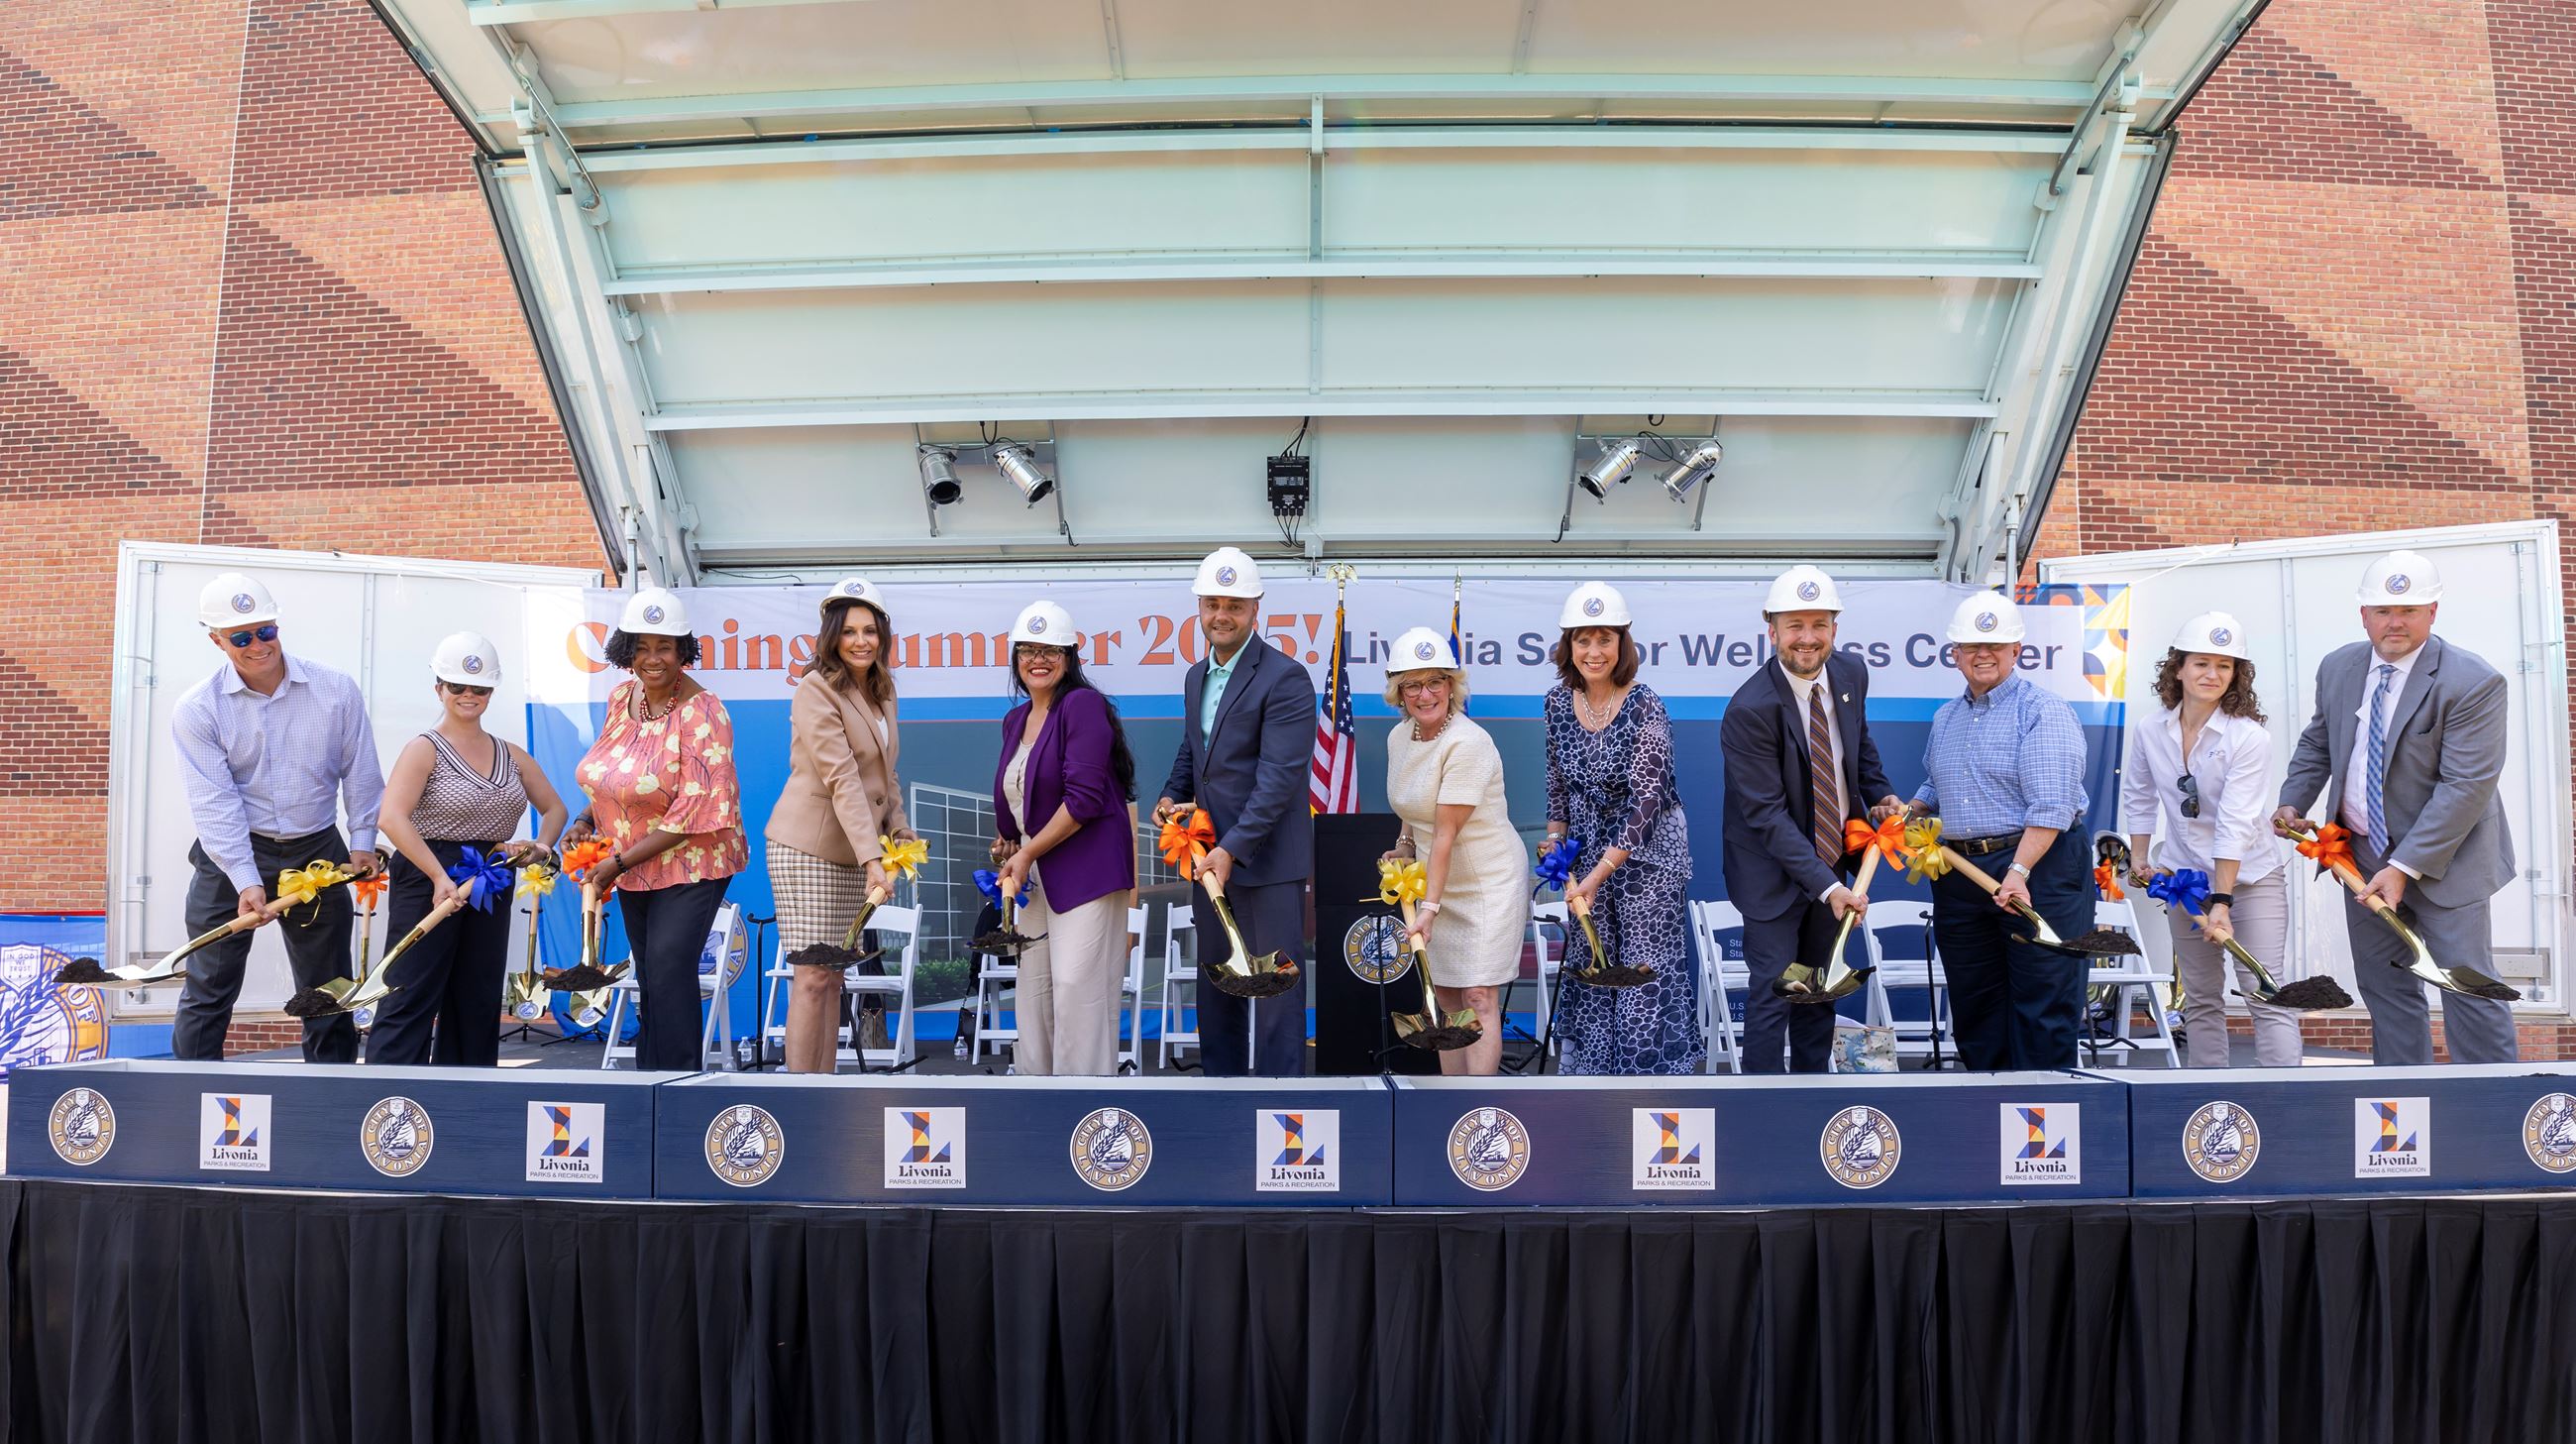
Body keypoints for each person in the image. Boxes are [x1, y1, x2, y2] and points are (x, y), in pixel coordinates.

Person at [2274, 549, 2518, 1064]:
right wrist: (2293, 801)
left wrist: (2404, 866)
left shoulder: (2473, 682)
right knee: (2385, 990)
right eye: (2383, 610)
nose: (2395, 622)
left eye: (2409, 610)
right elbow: (2319, 742)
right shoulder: (2339, 666)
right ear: (2363, 615)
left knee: (2466, 988)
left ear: (2433, 612)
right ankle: (2406, 1102)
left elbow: (2466, 785)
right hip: (2358, 857)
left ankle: (2493, 1111)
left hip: (2447, 863)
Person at [169, 571, 384, 1063]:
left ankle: (331, 1099)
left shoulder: (335, 690)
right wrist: (246, 879)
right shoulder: (197, 710)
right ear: (216, 640)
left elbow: (362, 772)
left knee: (327, 989)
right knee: (209, 983)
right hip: (231, 853)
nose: (258, 645)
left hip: (317, 849)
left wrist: (362, 841)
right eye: (241, 637)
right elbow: (214, 804)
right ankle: (191, 1098)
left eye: (265, 631)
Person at [1718, 567, 1900, 1073]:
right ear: (1770, 628)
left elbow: (1858, 752)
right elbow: (1767, 816)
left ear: (1835, 628)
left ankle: (1813, 1103)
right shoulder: (1748, 710)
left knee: (1821, 994)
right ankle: (1757, 1116)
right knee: (1777, 994)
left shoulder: (1851, 674)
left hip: (1834, 861)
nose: (1807, 638)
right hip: (1771, 876)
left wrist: (1881, 796)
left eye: (1819, 624)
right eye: (1794, 625)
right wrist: (1828, 887)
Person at [564, 587, 747, 1070]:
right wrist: (585, 821)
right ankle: (648, 1086)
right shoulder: (621, 697)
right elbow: (608, 776)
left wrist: (616, 863)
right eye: (641, 646)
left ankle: (681, 1087)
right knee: (649, 975)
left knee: (668, 967)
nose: (652, 658)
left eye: (664, 646)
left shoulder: (704, 711)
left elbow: (695, 809)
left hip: (692, 861)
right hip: (631, 863)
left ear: (683, 650)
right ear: (625, 649)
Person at [1151, 546, 1317, 1076]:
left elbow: (1277, 780)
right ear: (1199, 607)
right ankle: (1220, 1102)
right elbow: (1194, 750)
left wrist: (1230, 849)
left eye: (1235, 605)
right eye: (1213, 603)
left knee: (1275, 995)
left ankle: (1282, 1112)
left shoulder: (1286, 678)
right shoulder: (1196, 676)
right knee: (1217, 986)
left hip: (1263, 863)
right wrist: (1169, 793)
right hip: (1208, 858)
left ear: (1255, 610)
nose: (1222, 615)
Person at [371, 632, 570, 1065]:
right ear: (438, 688)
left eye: (479, 688)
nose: (468, 695)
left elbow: (554, 808)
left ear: (491, 691)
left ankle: (469, 1096)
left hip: (492, 872)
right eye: (457, 685)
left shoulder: (510, 753)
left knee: (477, 992)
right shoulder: (424, 748)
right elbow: (391, 818)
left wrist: (538, 847)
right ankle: (387, 1095)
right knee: (411, 987)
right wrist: (438, 876)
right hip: (429, 870)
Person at [1912, 591, 2092, 1071]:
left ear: (2018, 650)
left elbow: (2052, 807)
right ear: (1955, 655)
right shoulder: (1946, 717)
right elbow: (1938, 780)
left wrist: (2019, 870)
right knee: (1976, 1004)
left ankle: (2045, 1126)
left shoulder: (2043, 712)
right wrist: (1909, 809)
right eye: (1970, 645)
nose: (1983, 654)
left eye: (1996, 644)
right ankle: (1985, 1116)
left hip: (2039, 868)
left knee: (2042, 1003)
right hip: (1962, 872)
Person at [2119, 612, 2301, 1067]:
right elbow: (2139, 794)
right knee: (2200, 998)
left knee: (2266, 992)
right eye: (2201, 663)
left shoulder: (2249, 737)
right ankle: (2207, 1102)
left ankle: (2286, 1102)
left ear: (2236, 675)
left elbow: (2235, 822)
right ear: (2177, 668)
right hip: (2185, 880)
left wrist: (2222, 899)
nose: (2212, 675)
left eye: (2224, 666)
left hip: (2250, 880)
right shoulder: (2150, 729)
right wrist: (2140, 857)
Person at [1545, 583, 1705, 1074]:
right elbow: (1557, 789)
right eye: (1583, 640)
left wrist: (1596, 876)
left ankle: (1650, 1085)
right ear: (1569, 646)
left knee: (1642, 971)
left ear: (1623, 645)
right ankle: (1591, 1086)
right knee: (1593, 964)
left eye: (1605, 639)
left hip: (1648, 857)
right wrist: (1556, 851)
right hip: (1587, 850)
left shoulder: (1645, 704)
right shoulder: (1555, 703)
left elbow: (1648, 800)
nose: (1594, 652)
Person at [768, 578, 913, 1074]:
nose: (860, 641)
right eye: (849, 631)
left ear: (883, 636)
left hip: (855, 852)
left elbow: (884, 775)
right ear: (832, 634)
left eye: (870, 630)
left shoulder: (881, 690)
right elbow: (842, 778)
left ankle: (823, 1091)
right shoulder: (815, 688)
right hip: (807, 850)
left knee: (834, 977)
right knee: (812, 975)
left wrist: (901, 833)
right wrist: (875, 858)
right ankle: (798, 1099)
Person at [993, 601, 1140, 1075]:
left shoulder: (1082, 705)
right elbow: (1022, 801)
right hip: (1036, 875)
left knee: (1079, 989)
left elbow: (1083, 801)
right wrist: (1011, 846)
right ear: (1016, 659)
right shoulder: (1015, 720)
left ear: (1070, 656)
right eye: (1028, 651)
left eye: (1051, 650)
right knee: (1033, 996)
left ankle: (1085, 1111)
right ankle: (1037, 1102)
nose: (1039, 660)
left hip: (1087, 872)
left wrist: (1028, 850)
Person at [1382, 626, 1520, 1076]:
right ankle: (1450, 1106)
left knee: (1477, 995)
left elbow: (1444, 833)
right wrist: (1403, 846)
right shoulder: (1399, 738)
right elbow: (1414, 805)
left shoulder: (1469, 743)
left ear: (1452, 686)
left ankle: (1481, 1109)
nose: (1426, 694)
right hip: (1438, 880)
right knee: (1442, 995)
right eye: (1413, 684)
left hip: (1486, 882)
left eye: (1436, 681)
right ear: (1399, 693)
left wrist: (1431, 907)